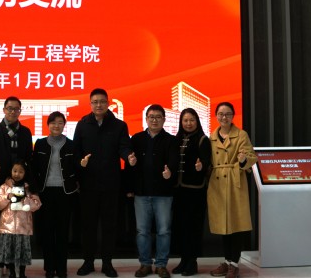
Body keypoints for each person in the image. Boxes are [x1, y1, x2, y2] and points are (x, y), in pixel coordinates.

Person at [73, 88, 133, 278]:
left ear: (108, 103)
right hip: (88, 184)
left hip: (110, 184)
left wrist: (128, 156)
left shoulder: (119, 126)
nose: (98, 105)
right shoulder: (82, 125)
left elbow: (124, 147)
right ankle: (88, 262)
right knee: (88, 226)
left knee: (109, 226)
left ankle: (107, 263)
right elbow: (76, 151)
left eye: (102, 101)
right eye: (95, 102)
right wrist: (80, 163)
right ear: (90, 104)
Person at [127, 104, 179, 278]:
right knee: (142, 231)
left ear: (164, 119)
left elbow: (174, 163)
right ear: (146, 119)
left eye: (158, 117)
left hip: (163, 193)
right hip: (141, 193)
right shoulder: (137, 138)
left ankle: (161, 265)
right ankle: (145, 264)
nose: (154, 120)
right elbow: (131, 165)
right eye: (151, 117)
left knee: (163, 231)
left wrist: (170, 173)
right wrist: (130, 185)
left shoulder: (171, 140)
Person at [0, 96, 33, 278]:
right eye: (9, 108)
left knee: (16, 227)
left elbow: (29, 157)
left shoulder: (26, 132)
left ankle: (14, 265)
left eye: (16, 109)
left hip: (19, 185)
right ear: (4, 110)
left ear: (20, 111)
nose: (13, 112)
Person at [207, 102, 257, 278]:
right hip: (217, 184)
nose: (224, 117)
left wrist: (243, 160)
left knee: (235, 224)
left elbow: (252, 157)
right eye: (221, 114)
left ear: (233, 116)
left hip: (235, 183)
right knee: (223, 225)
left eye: (228, 114)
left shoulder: (241, 134)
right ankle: (227, 261)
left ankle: (234, 264)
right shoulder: (211, 137)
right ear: (216, 116)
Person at [31, 112, 79, 278]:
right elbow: (33, 168)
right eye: (53, 123)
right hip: (45, 192)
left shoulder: (72, 145)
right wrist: (34, 190)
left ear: (64, 125)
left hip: (65, 193)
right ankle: (49, 268)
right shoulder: (40, 144)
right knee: (47, 231)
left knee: (62, 231)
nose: (56, 126)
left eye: (60, 123)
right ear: (48, 125)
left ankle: (61, 268)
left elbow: (77, 168)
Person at [171, 108, 211, 276]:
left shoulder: (203, 139)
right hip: (179, 191)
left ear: (197, 121)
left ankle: (192, 262)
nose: (188, 123)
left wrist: (201, 166)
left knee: (193, 227)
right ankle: (183, 260)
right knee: (180, 226)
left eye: (192, 120)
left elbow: (207, 161)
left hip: (195, 191)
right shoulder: (176, 139)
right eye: (185, 120)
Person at [0, 160, 42, 278]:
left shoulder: (28, 187)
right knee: (9, 251)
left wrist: (26, 199)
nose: (17, 174)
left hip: (23, 227)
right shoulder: (4, 187)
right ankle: (12, 272)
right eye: (15, 171)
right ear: (10, 171)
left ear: (25, 173)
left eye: (21, 171)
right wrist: (7, 197)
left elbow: (37, 204)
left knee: (22, 252)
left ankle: (22, 273)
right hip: (7, 226)